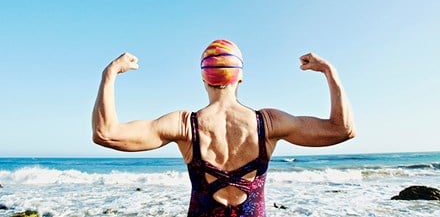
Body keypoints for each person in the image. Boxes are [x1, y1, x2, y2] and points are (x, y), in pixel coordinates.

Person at [92, 39, 356, 217]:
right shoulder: (269, 123)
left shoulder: (185, 125)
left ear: (203, 77)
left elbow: (106, 133)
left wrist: (110, 73)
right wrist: (329, 71)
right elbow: (342, 129)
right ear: (240, 76)